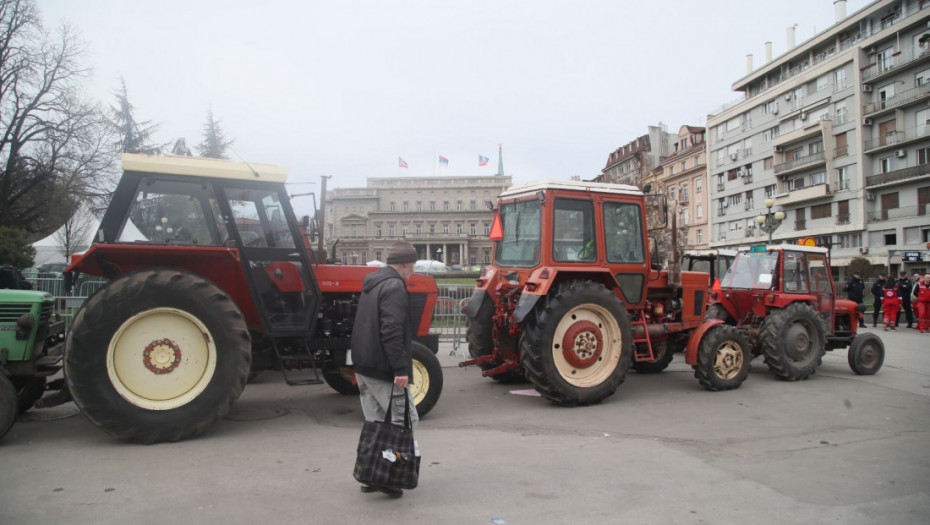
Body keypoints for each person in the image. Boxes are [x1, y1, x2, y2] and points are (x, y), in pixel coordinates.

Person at [350, 240, 419, 498]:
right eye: (412, 266)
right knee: (404, 422)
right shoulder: (394, 286)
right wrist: (400, 368)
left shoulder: (373, 283)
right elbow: (391, 330)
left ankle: (370, 474)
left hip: (364, 365)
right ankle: (388, 477)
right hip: (383, 368)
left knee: (375, 423)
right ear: (404, 264)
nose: (413, 271)